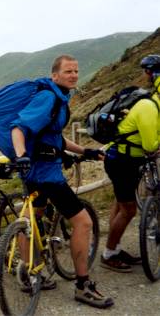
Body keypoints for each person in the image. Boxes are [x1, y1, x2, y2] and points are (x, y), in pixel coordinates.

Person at [9, 55, 114, 308]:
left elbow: (54, 137)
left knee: (31, 219)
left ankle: (29, 274)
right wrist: (20, 155)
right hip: (46, 174)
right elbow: (19, 128)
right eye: (68, 71)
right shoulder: (49, 97)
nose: (74, 75)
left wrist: (85, 151)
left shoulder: (58, 98)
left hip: (36, 171)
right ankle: (83, 286)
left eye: (77, 71)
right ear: (55, 75)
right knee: (83, 222)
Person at [100, 55, 160, 273]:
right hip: (122, 160)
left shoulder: (151, 103)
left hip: (126, 159)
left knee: (120, 202)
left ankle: (114, 248)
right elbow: (150, 144)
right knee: (128, 210)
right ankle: (108, 254)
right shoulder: (148, 106)